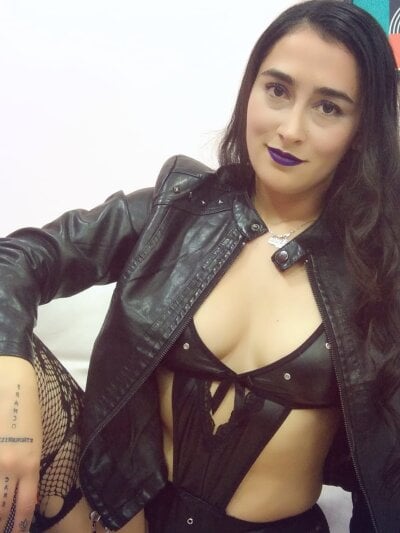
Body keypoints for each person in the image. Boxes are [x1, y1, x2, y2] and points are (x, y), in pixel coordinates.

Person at [0, 0, 399, 531]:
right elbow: (18, 259)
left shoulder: (380, 265)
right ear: (250, 89)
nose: (290, 129)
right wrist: (9, 374)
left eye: (328, 107)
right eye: (277, 90)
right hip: (127, 518)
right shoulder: (174, 209)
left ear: (362, 128)